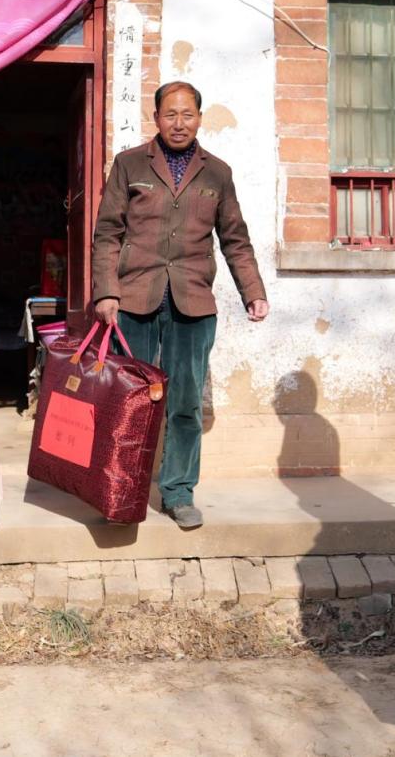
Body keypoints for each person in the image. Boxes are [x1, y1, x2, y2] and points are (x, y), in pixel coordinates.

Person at [90, 81, 268, 529]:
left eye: (188, 114)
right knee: (128, 401)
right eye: (170, 114)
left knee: (185, 403)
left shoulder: (217, 173)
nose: (179, 123)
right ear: (156, 118)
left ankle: (178, 492)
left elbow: (235, 239)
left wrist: (253, 291)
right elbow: (107, 232)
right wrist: (106, 291)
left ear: (200, 119)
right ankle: (121, 490)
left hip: (192, 302)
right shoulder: (130, 164)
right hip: (134, 299)